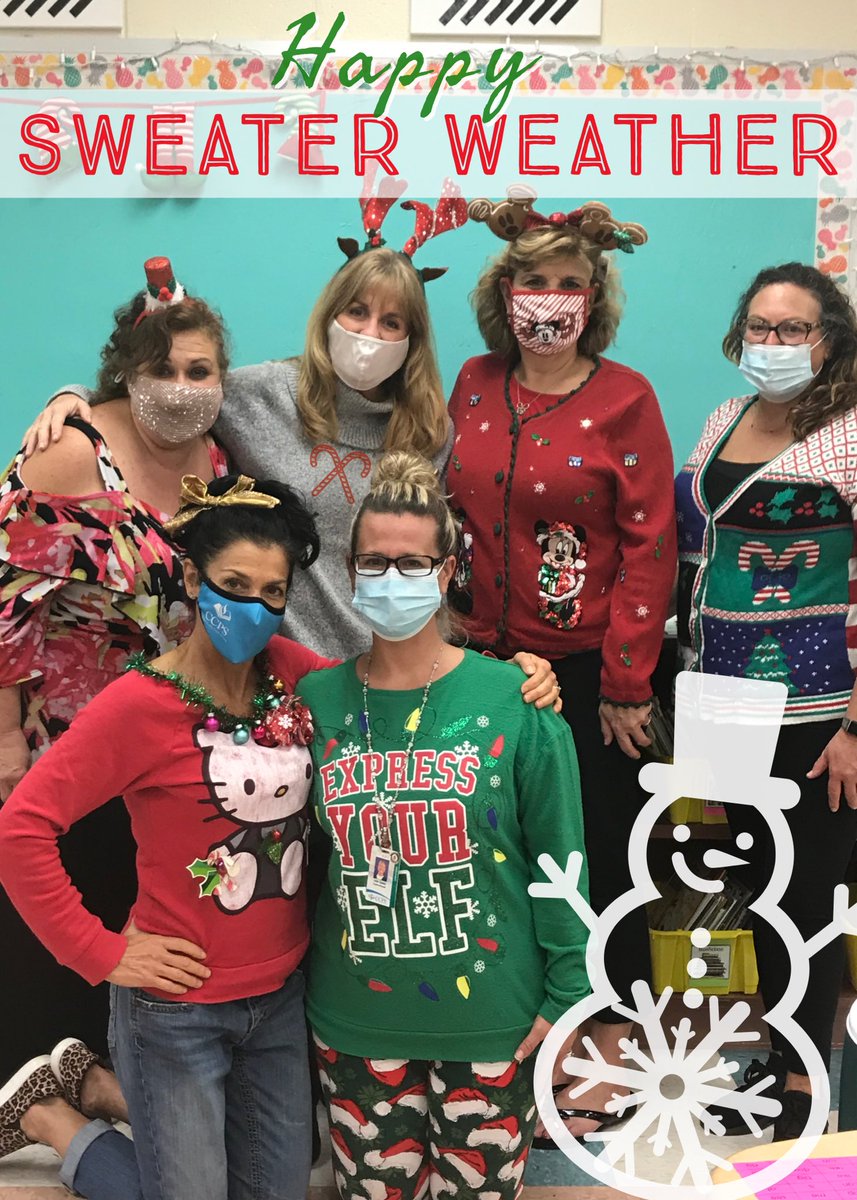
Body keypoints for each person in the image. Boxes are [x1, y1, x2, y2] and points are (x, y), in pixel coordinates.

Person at [0, 472, 335, 1199]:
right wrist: (98, 952)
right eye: (233, 583)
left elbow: (391, 699)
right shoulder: (136, 707)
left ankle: (88, 1101)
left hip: (279, 999)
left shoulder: (296, 678)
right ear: (191, 576)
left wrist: (515, 680)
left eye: (272, 593)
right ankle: (58, 1122)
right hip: (174, 1012)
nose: (252, 606)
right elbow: (21, 828)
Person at [445, 189, 677, 1138]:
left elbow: (650, 543)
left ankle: (601, 1054)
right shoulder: (468, 379)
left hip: (589, 674)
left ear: (595, 298)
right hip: (486, 664)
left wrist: (626, 683)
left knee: (601, 865)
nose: (548, 298)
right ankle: (508, 1041)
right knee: (499, 857)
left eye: (568, 284)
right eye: (531, 281)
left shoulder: (626, 397)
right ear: (503, 293)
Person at [297, 451, 590, 1199]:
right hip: (355, 1022)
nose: (391, 578)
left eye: (411, 563)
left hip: (495, 1021)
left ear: (447, 569)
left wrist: (567, 1000)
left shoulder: (516, 701)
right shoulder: (313, 702)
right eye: (374, 562)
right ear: (351, 569)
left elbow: (561, 863)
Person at [0, 257, 230, 1084]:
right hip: (60, 736)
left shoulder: (220, 463)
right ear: (125, 371)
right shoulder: (71, 453)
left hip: (165, 745)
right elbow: (5, 599)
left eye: (198, 370)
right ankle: (39, 1091)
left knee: (136, 920)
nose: (180, 385)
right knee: (54, 917)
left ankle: (108, 1084)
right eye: (161, 369)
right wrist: (4, 745)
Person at [675, 262, 857, 1142]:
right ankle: (748, 1049)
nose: (773, 344)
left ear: (829, 338)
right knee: (734, 891)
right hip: (719, 700)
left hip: (820, 711)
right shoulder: (721, 422)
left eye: (793, 330)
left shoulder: (852, 435)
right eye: (760, 327)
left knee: (810, 896)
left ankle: (802, 1075)